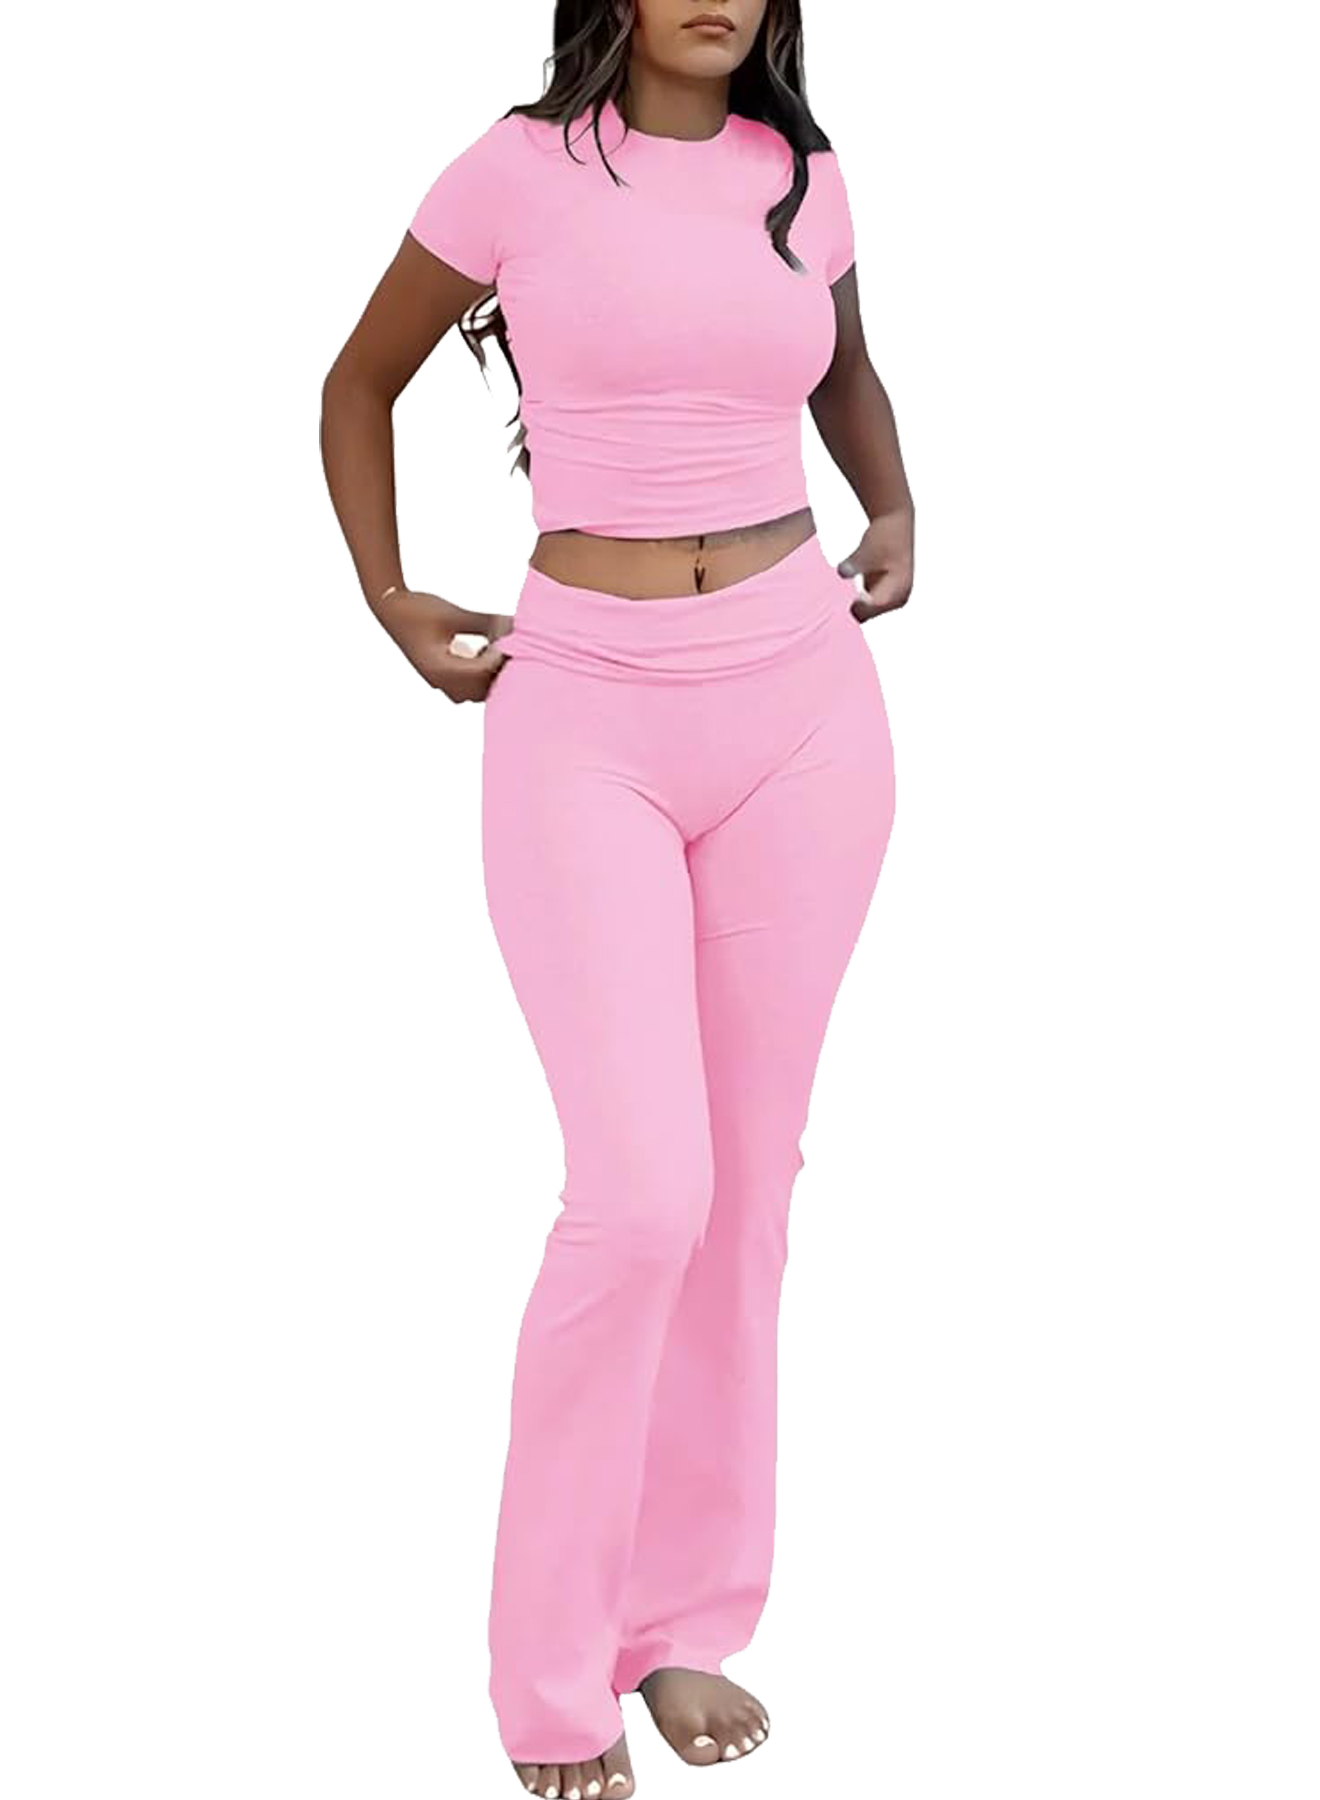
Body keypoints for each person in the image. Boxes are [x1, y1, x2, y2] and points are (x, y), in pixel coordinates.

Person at [319, 4, 914, 1795]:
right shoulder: (513, 170)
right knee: (642, 1198)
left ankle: (682, 1621)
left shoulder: (797, 175)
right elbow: (355, 381)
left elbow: (843, 369)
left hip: (802, 702)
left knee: (746, 1194)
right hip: (583, 708)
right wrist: (391, 597)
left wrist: (895, 507)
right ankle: (549, 1677)